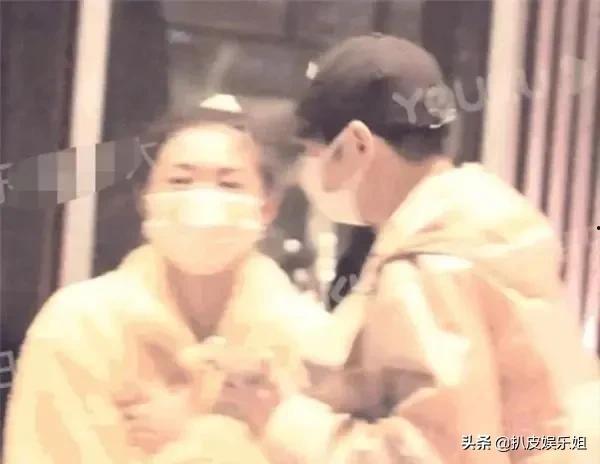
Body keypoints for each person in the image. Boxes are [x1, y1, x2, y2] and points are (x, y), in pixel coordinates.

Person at [214, 35, 600, 464]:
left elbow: (436, 452)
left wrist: (281, 419)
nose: (306, 173)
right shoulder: (481, 228)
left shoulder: (430, 263)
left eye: (310, 152)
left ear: (356, 146)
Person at [3, 119, 326, 464]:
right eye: (180, 181)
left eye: (229, 184)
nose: (203, 203)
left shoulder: (312, 342)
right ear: (145, 200)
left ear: (268, 207)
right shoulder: (78, 324)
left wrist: (199, 432)